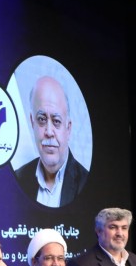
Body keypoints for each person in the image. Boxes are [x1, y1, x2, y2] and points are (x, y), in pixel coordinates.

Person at [14, 75, 89, 208]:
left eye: (56, 121)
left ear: (68, 128)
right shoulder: (18, 179)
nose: (49, 132)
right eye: (42, 119)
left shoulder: (86, 184)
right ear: (32, 122)